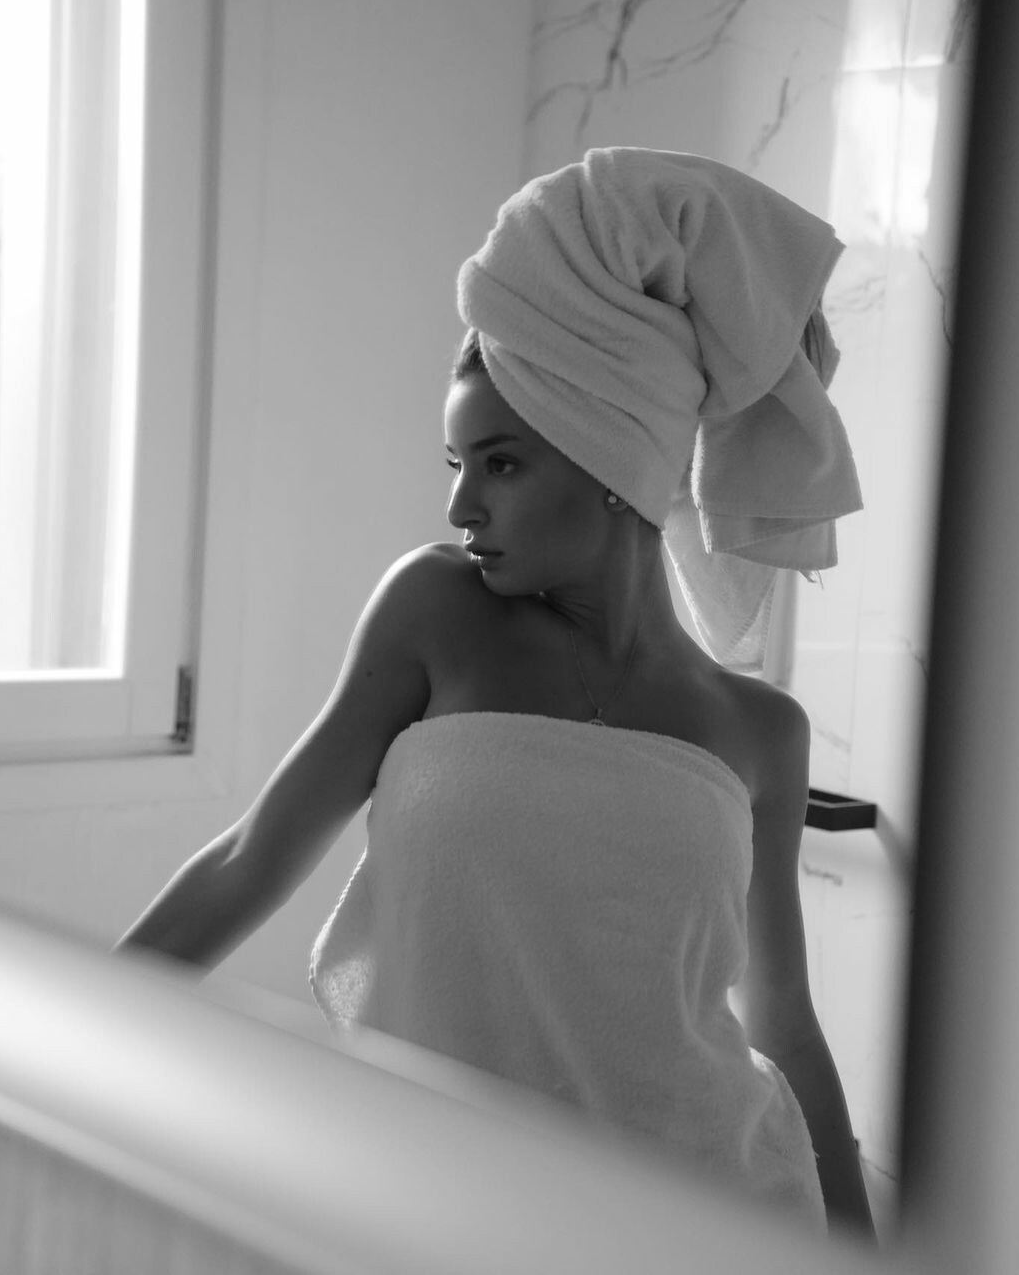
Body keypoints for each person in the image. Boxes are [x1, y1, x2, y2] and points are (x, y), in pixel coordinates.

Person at [117, 147, 874, 1240]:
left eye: (502, 463)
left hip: (698, 1216)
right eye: (456, 463)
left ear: (612, 461)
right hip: (428, 1208)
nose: (462, 504)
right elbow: (250, 861)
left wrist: (864, 1248)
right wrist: (64, 1040)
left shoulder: (759, 729)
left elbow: (785, 1025)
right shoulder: (434, 614)